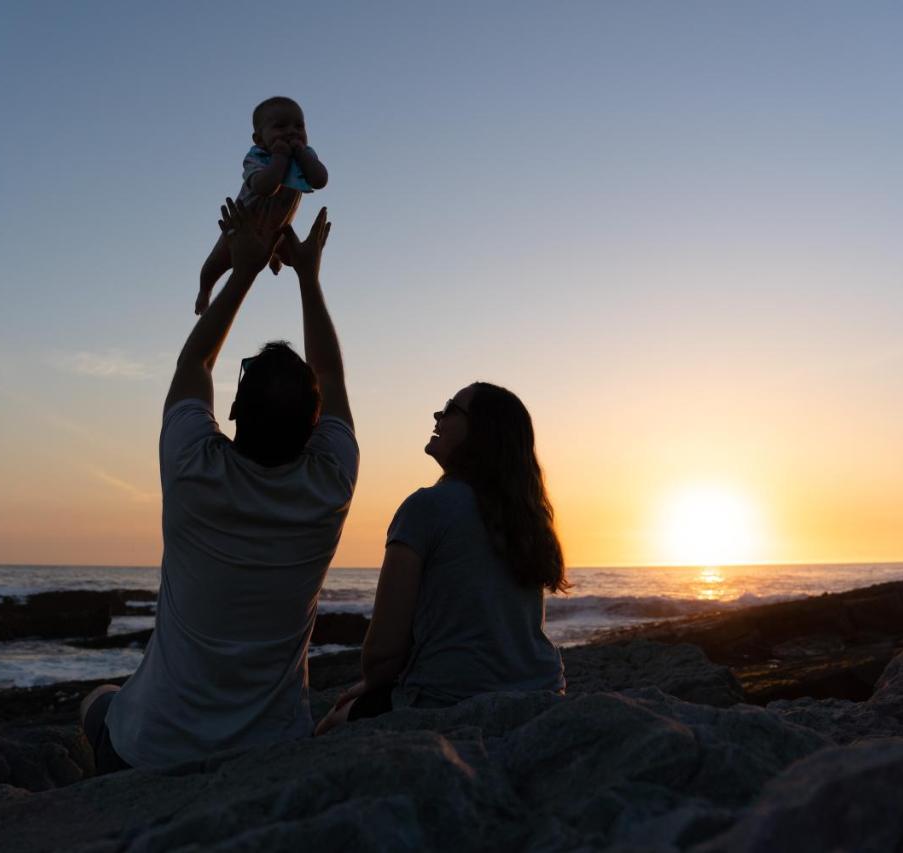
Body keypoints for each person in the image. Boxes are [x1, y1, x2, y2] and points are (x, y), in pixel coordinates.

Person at [80, 199, 356, 773]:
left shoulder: (191, 467)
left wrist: (246, 270)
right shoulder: (329, 484)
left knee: (97, 702)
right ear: (315, 423)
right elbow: (328, 374)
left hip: (152, 749)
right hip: (273, 748)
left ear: (231, 408)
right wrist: (307, 276)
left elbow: (194, 362)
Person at [317, 383, 567, 732]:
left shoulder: (425, 508)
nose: (438, 415)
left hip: (445, 699)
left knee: (326, 728)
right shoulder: (525, 519)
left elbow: (383, 654)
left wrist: (371, 684)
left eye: (451, 408)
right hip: (541, 690)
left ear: (479, 431)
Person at [196, 96, 328, 315]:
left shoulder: (305, 157)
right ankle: (204, 291)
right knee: (214, 265)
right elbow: (265, 187)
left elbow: (320, 180)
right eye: (280, 126)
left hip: (278, 227)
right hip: (242, 229)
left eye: (299, 126)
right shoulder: (256, 158)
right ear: (259, 139)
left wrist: (304, 156)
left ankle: (274, 252)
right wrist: (279, 158)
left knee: (294, 259)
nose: (292, 132)